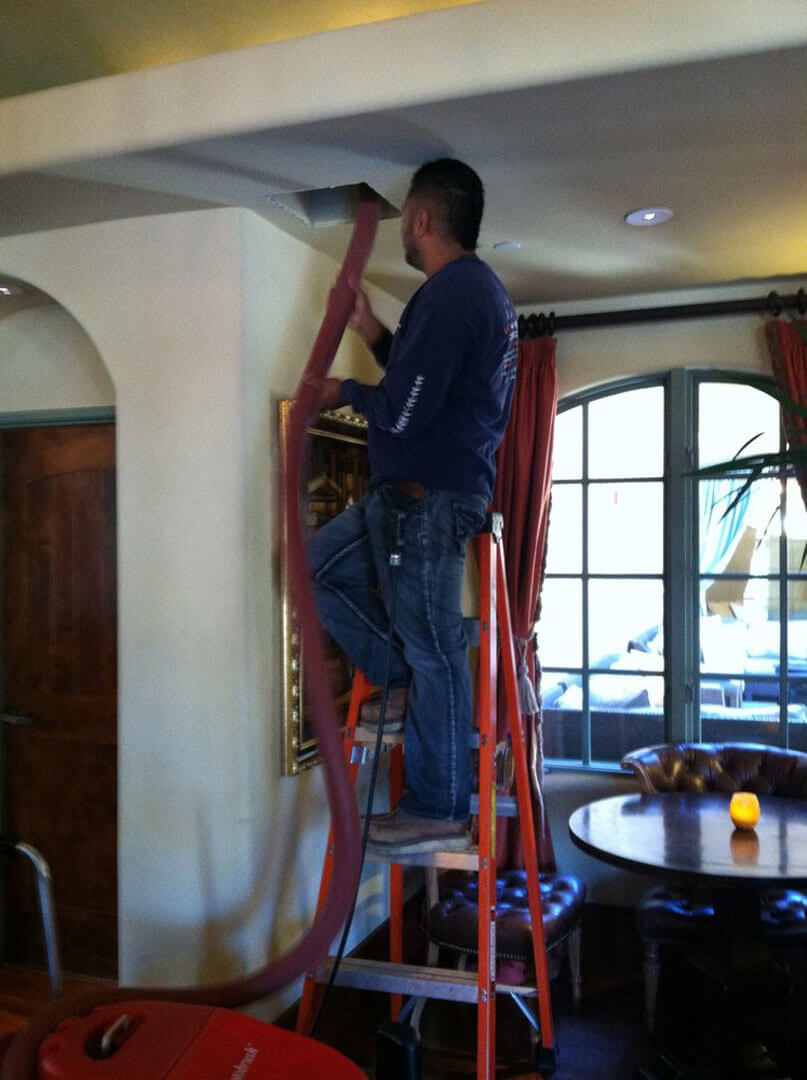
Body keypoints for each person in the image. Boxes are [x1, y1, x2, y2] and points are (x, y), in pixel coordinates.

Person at [309, 158, 518, 855]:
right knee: (317, 569)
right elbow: (422, 382)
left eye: (405, 212)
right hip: (405, 499)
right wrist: (373, 335)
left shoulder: (457, 292)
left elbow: (401, 410)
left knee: (434, 652)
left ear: (423, 220)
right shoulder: (461, 293)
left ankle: (437, 806)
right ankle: (395, 687)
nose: (402, 223)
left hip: (425, 504)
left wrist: (342, 392)